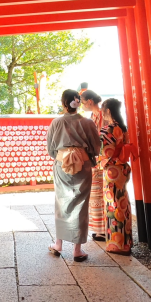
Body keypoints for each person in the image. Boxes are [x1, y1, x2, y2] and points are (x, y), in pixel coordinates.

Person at [46, 89, 100, 261]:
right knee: (81, 204)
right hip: (82, 165)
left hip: (62, 165)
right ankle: (77, 250)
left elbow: (51, 149)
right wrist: (84, 156)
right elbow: (96, 147)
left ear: (64, 103)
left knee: (62, 203)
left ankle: (58, 244)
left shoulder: (56, 123)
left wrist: (63, 157)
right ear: (78, 102)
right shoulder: (88, 122)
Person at [98, 98, 134, 254]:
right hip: (123, 169)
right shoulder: (123, 128)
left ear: (108, 111)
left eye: (103, 110)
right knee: (123, 203)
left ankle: (117, 244)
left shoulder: (108, 129)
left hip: (112, 169)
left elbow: (101, 150)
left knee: (113, 205)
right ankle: (126, 243)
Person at [80, 89, 106, 241]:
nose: (82, 106)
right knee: (95, 195)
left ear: (90, 101)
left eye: (83, 103)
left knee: (100, 195)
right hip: (95, 159)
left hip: (101, 159)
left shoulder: (102, 115)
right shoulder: (94, 116)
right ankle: (98, 228)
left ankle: (103, 229)